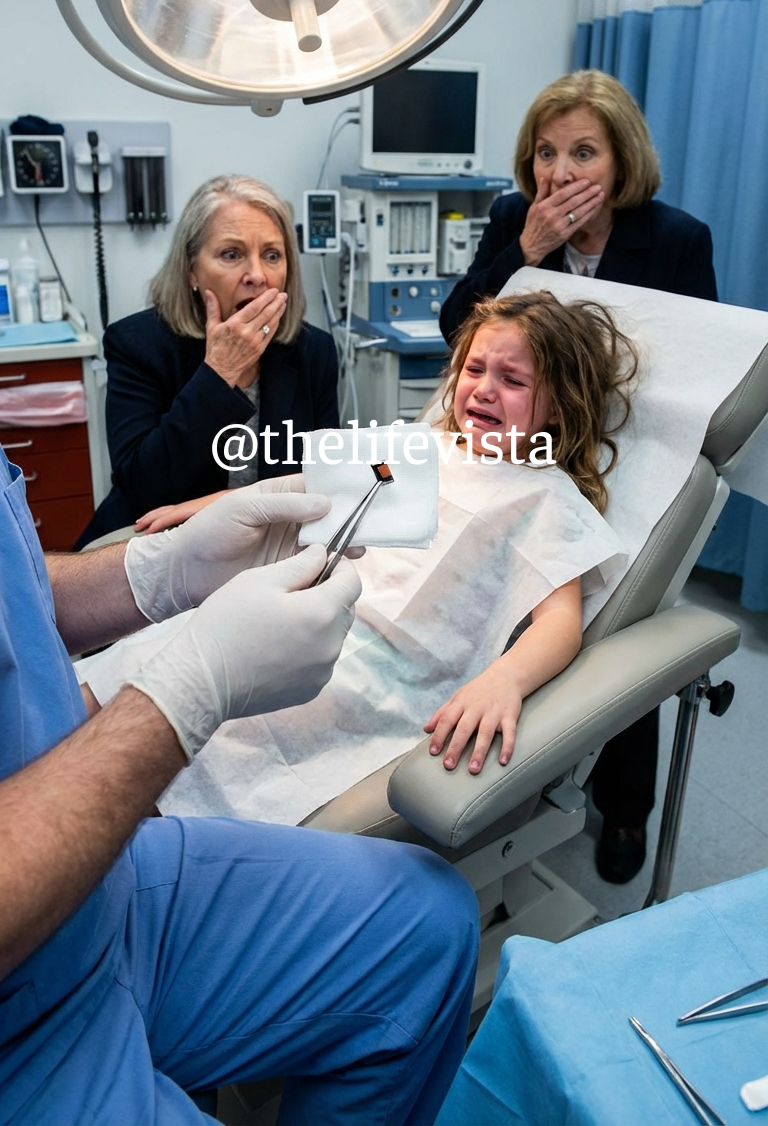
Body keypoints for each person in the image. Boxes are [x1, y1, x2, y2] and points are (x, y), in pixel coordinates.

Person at [0, 466, 480, 1126]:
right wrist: (186, 697)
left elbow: (13, 594)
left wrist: (158, 571)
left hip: (97, 890)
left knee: (428, 925)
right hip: (18, 1021)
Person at [83, 292, 634, 830]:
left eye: (512, 380)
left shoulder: (545, 497)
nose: (484, 389)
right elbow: (311, 485)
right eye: (474, 369)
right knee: (153, 660)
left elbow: (560, 621)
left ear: (558, 407)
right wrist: (204, 508)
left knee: (233, 740)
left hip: (386, 668)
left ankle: (109, 834)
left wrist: (506, 680)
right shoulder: (420, 446)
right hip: (309, 608)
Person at [439, 70, 718, 885]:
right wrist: (521, 253)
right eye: (546, 153)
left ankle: (625, 808)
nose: (560, 173)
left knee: (615, 621)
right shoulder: (512, 220)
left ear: (622, 158)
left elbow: (700, 378)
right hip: (530, 442)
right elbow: (461, 332)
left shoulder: (676, 238)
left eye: (583, 153)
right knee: (502, 597)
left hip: (633, 456)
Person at [76, 175, 339, 544]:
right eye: (231, 254)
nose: (257, 275)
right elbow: (143, 488)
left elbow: (327, 480)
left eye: (272, 256)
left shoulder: (314, 351)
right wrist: (219, 372)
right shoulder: (137, 345)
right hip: (158, 544)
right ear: (192, 271)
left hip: (266, 543)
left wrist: (220, 503)